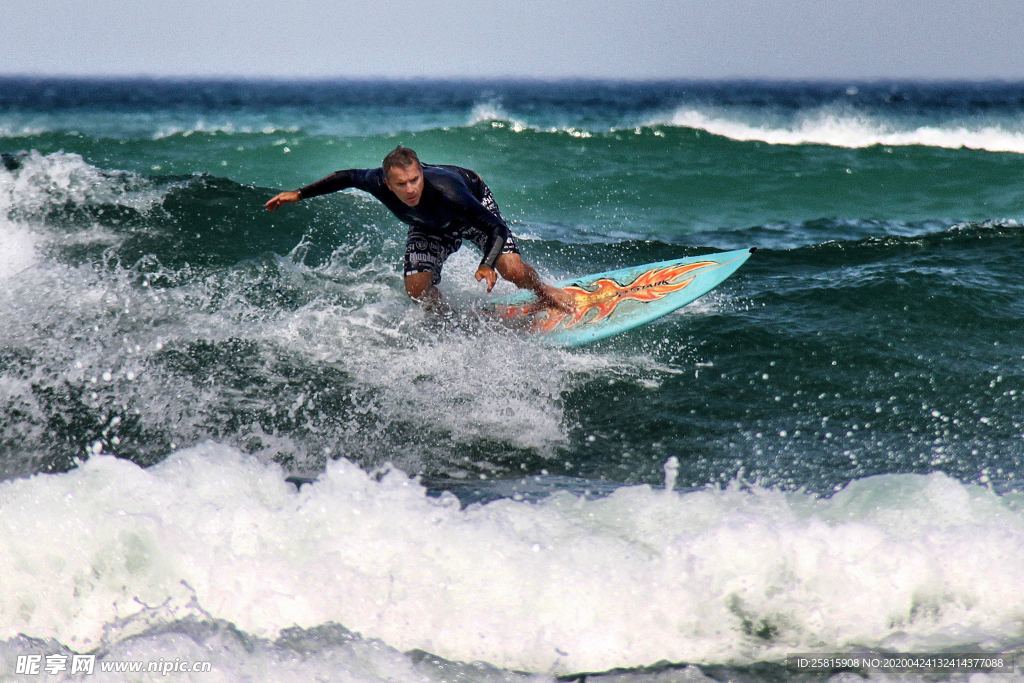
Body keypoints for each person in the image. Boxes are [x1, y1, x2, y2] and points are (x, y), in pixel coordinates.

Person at [265, 146, 573, 312]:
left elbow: (495, 229)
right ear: (387, 183)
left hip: (469, 211)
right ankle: (448, 321)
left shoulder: (449, 190)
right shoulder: (376, 182)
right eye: (402, 184)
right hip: (428, 226)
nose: (411, 188)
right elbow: (344, 176)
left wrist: (487, 264)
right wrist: (300, 194)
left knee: (511, 268)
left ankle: (545, 293)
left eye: (415, 179)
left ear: (421, 173)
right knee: (416, 290)